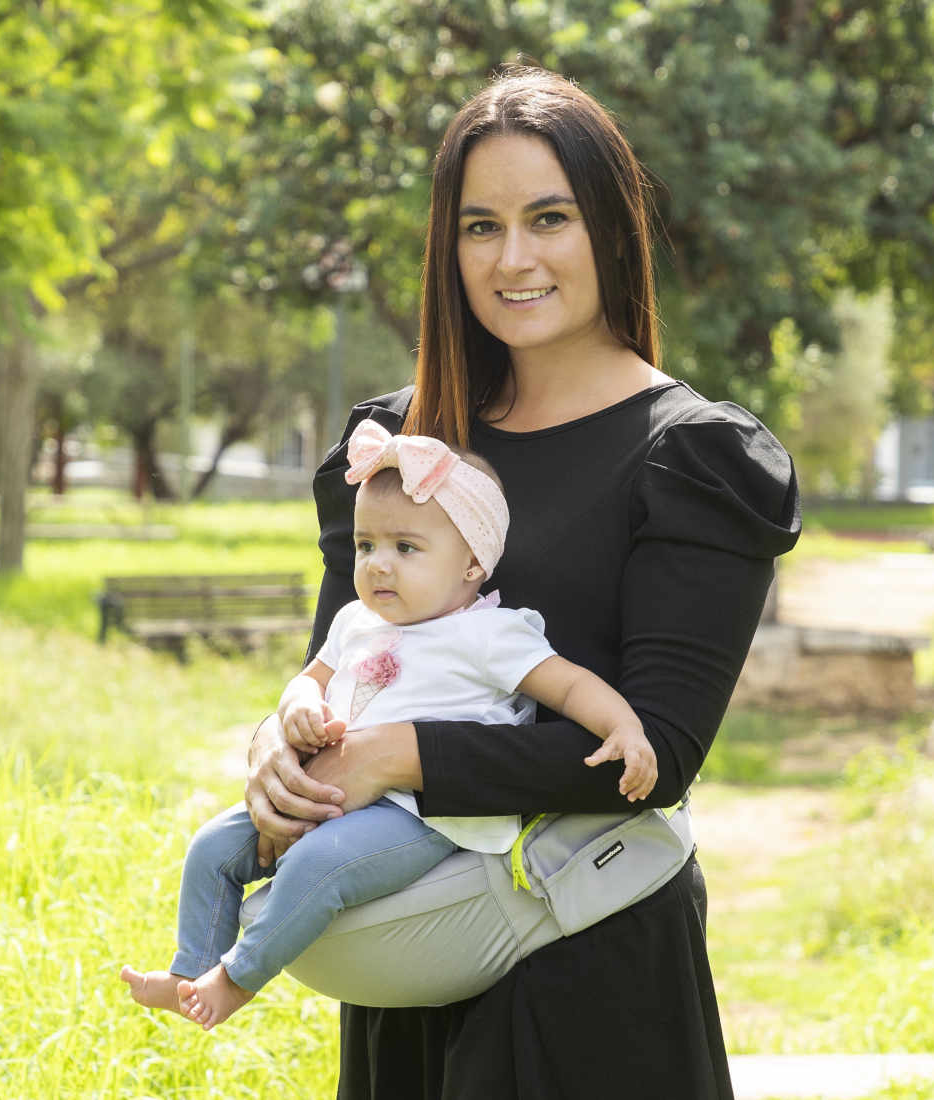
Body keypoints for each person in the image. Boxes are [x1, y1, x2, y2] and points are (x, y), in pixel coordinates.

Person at [246, 68, 800, 1098]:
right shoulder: (397, 448)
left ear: (610, 231)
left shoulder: (693, 456)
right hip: (409, 953)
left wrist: (395, 755)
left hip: (589, 967)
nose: (513, 258)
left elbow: (656, 753)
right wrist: (284, 748)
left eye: (549, 217)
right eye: (478, 225)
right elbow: (345, 662)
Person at [120, 423, 658, 1030]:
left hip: (421, 814)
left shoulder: (489, 633)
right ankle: (192, 970)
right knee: (213, 848)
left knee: (318, 866)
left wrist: (624, 727)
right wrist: (297, 702)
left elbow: (568, 683)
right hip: (328, 792)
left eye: (406, 548)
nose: (378, 565)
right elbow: (311, 677)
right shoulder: (355, 621)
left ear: (473, 564)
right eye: (365, 545)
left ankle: (238, 979)